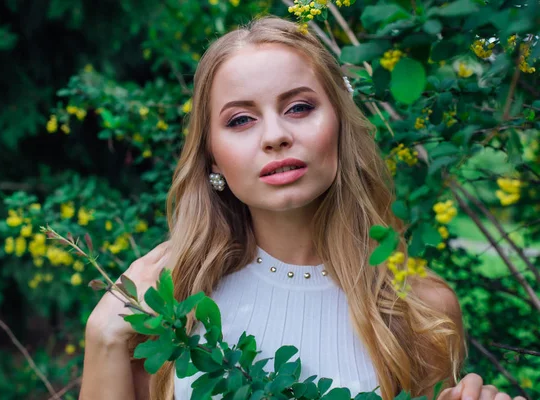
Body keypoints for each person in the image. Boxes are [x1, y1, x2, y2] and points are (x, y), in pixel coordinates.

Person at [80, 15, 526, 400]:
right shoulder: (169, 305)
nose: (274, 135)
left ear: (339, 127)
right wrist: (102, 337)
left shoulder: (422, 310)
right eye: (240, 119)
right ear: (212, 157)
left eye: (298, 107)